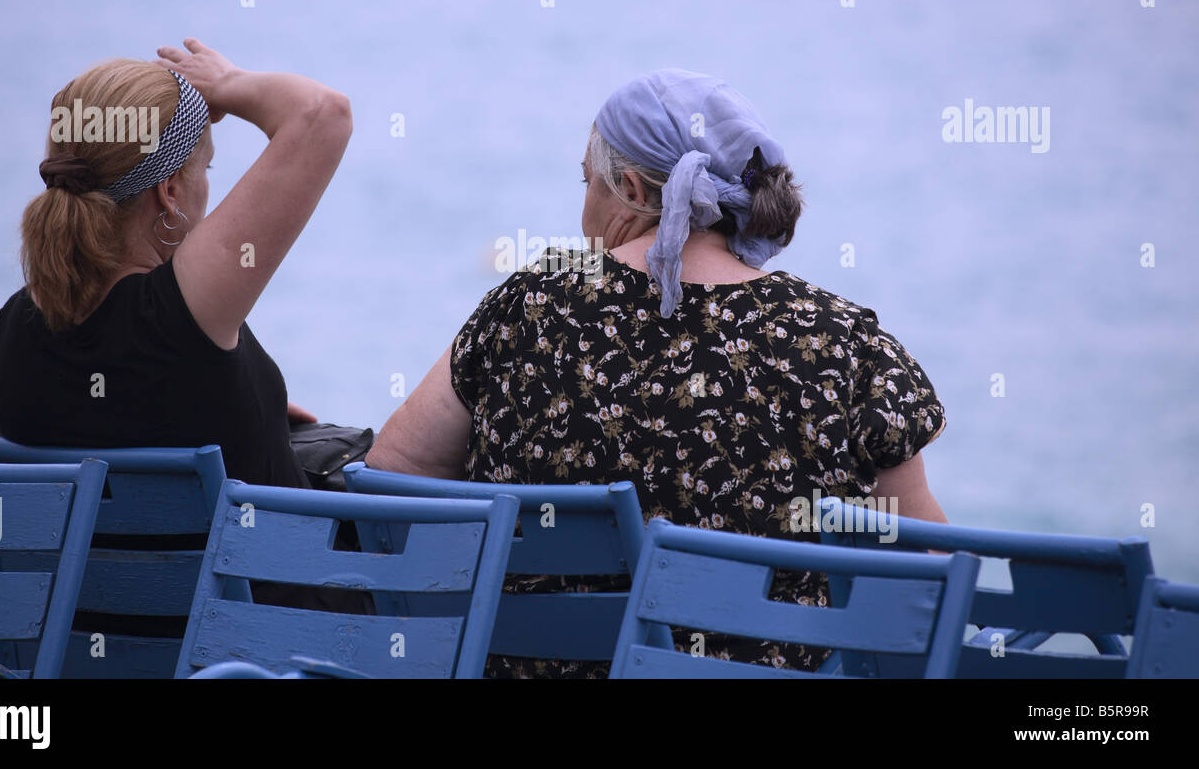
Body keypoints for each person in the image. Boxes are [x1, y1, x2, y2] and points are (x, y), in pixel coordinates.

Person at [366, 68, 949, 677]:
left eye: (588, 182)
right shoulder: (845, 343)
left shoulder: (525, 309)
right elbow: (923, 564)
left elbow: (394, 477)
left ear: (636, 191)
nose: (583, 208)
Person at [0, 38, 350, 502]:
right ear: (171, 191)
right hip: (264, 574)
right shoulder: (184, 312)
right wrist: (228, 83)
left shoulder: (11, 331)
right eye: (207, 167)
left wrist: (257, 405)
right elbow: (323, 114)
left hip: (84, 576)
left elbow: (7, 497)